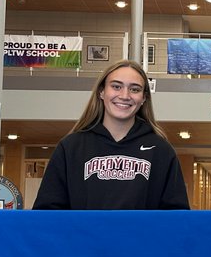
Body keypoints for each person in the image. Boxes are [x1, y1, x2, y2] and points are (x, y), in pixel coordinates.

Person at [33, 60, 189, 210]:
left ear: (143, 98)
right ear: (101, 92)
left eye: (134, 89)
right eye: (116, 86)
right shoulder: (70, 147)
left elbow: (176, 217)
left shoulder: (161, 150)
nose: (125, 95)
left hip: (140, 238)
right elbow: (47, 212)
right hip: (84, 238)